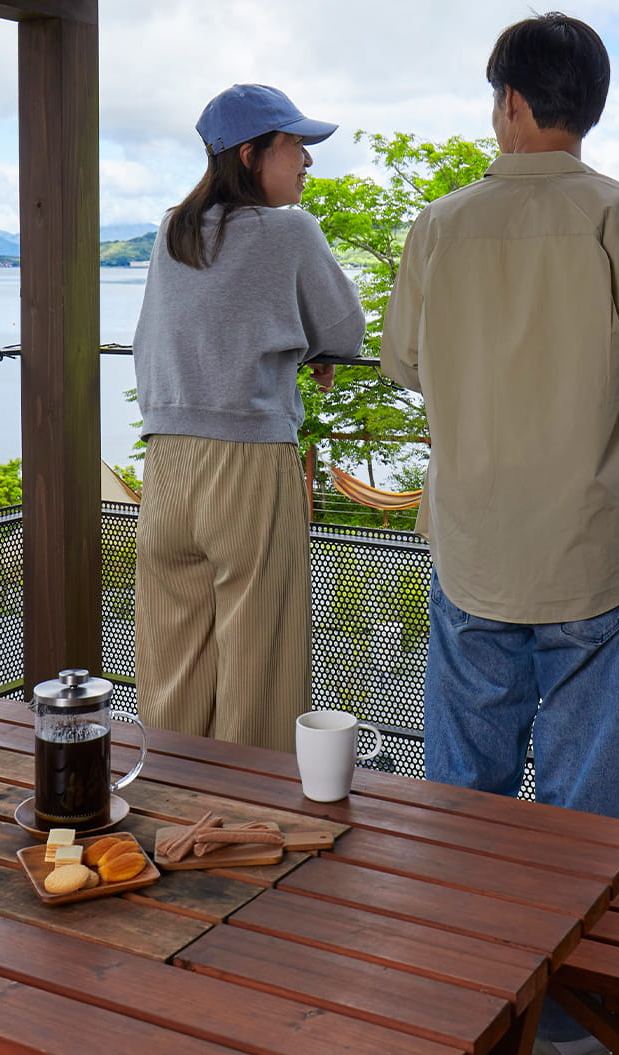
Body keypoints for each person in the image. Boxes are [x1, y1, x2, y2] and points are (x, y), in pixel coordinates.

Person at [381, 14, 619, 1055]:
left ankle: (465, 996)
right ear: (587, 106)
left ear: (513, 104)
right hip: (587, 545)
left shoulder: (438, 226)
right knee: (579, 796)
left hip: (475, 539)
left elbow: (402, 361)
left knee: (463, 781)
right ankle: (565, 1022)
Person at [132, 84, 365, 755]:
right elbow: (344, 329)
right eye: (295, 147)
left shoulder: (173, 228)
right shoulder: (290, 229)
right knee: (257, 664)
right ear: (250, 152)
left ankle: (173, 801)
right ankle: (245, 826)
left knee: (175, 664)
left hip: (167, 460)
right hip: (247, 461)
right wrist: (314, 351)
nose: (306, 163)